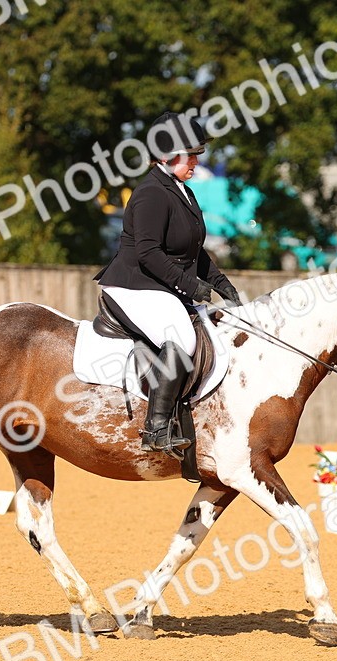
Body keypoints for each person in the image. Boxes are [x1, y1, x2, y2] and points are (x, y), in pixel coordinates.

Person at [93, 111, 241, 455]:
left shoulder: (183, 192)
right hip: (133, 285)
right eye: (191, 154)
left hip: (159, 285)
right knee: (183, 337)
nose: (196, 160)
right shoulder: (150, 193)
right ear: (166, 154)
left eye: (197, 154)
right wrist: (194, 288)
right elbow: (148, 253)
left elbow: (194, 250)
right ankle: (156, 427)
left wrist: (222, 284)